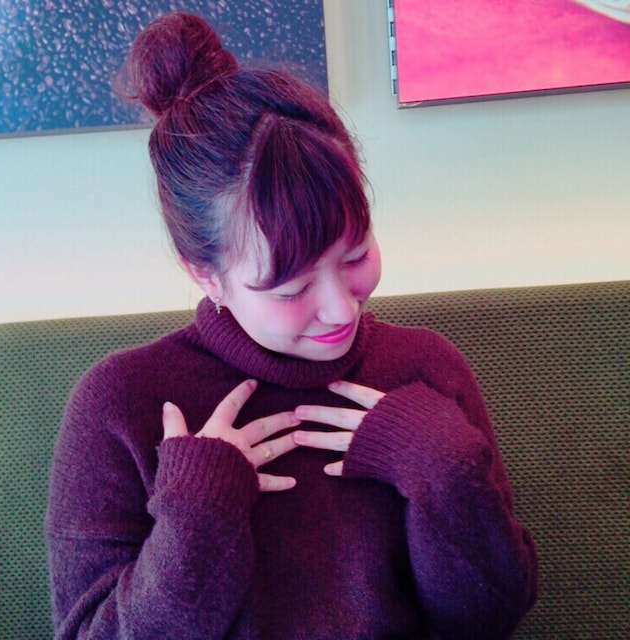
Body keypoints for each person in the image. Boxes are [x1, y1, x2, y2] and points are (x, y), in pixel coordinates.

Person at [46, 11, 537, 639]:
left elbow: (491, 617)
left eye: (355, 255)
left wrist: (443, 469)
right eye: (291, 287)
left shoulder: (426, 369)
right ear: (204, 273)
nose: (342, 309)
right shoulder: (120, 402)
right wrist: (198, 514)